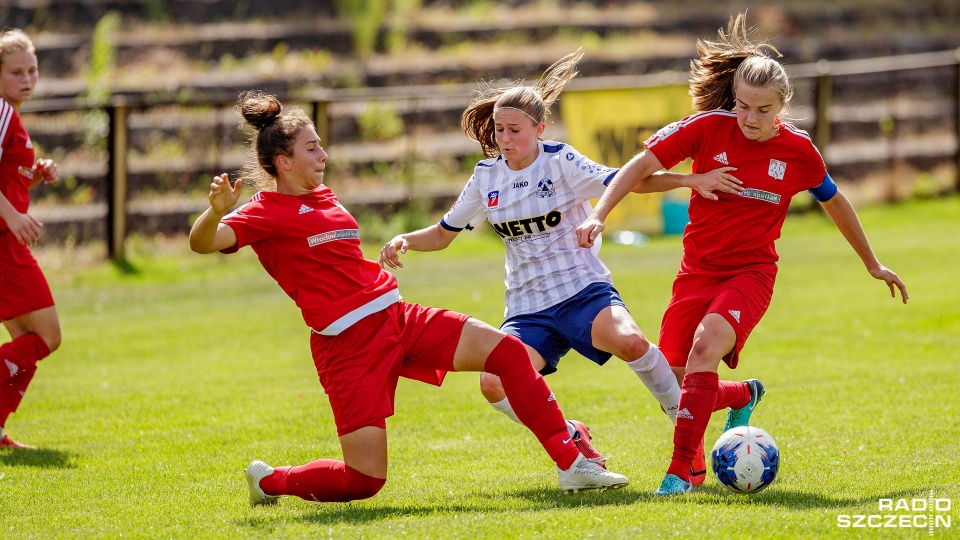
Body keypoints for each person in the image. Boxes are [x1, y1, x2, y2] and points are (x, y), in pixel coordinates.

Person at [189, 91, 629, 506]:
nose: (323, 155)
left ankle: (573, 464)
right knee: (364, 481)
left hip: (397, 318)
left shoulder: (323, 196)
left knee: (509, 353)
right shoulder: (263, 210)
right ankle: (269, 480)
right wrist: (215, 211)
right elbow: (202, 244)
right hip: (347, 347)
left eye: (321, 145)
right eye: (312, 149)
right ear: (283, 162)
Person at [576, 13, 909, 496]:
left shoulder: (799, 152)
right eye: (743, 106)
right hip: (696, 272)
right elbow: (639, 167)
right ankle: (742, 394)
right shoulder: (707, 128)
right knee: (673, 382)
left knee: (705, 346)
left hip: (751, 274)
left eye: (763, 110)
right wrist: (600, 215)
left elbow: (835, 201)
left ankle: (680, 473)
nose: (750, 119)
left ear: (783, 106)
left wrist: (871, 262)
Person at [378, 50, 739, 482]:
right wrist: (404, 240)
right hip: (528, 308)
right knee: (493, 383)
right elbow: (443, 232)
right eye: (499, 130)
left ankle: (683, 424)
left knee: (629, 340)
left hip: (583, 290)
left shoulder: (560, 161)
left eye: (514, 130)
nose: (505, 138)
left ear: (538, 129)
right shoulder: (485, 177)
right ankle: (570, 437)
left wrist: (689, 180)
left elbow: (629, 178)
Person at [0, 29, 62, 450]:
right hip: (5, 243)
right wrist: (13, 215)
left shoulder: (11, 115)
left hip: (6, 236)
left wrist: (31, 176)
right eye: (16, 71)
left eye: (33, 70)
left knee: (27, 343)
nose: (27, 78)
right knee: (47, 337)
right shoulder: (1, 112)